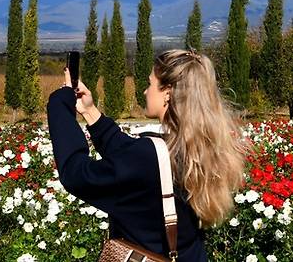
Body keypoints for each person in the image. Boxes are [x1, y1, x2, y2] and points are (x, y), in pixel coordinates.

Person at [47, 49, 247, 261]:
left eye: (150, 83)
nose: (145, 91)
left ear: (168, 92)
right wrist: (90, 111)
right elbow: (132, 155)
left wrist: (60, 103)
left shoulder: (148, 157)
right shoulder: (202, 148)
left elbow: (76, 174)